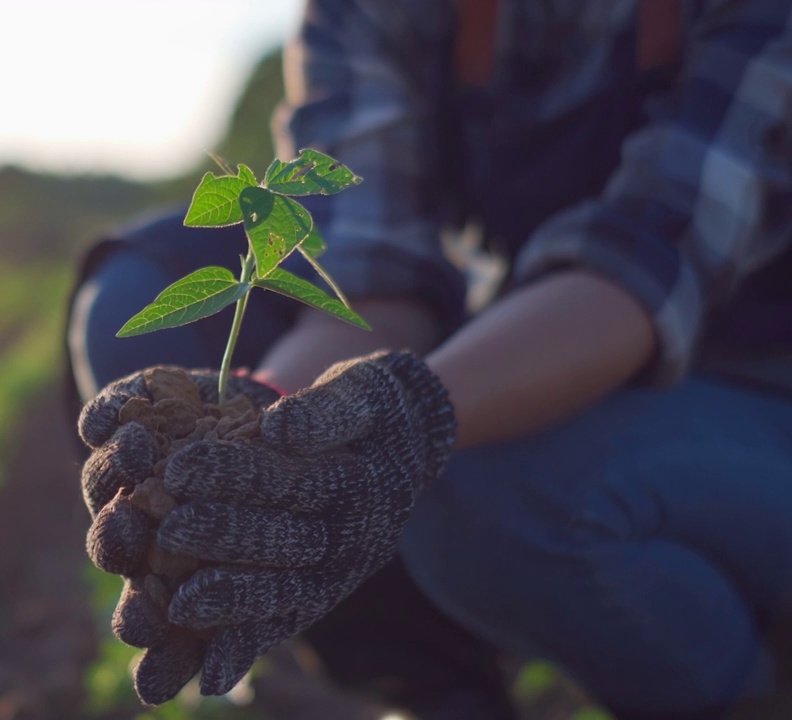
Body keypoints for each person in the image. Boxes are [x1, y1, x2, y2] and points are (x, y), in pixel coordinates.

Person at [67, 1, 792, 717]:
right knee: (140, 299)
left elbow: (638, 270)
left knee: (482, 473)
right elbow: (376, 283)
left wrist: (412, 415)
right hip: (551, 328)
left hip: (749, 390)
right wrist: (264, 423)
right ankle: (432, 685)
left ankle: (742, 684)